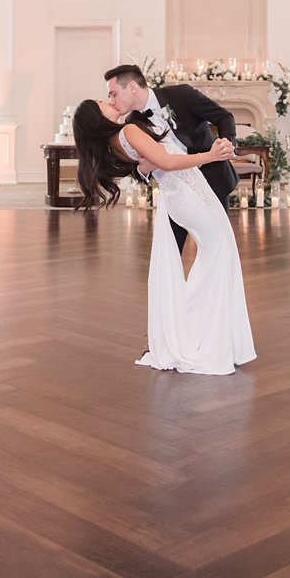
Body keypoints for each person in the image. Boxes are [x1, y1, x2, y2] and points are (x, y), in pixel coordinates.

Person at [72, 98, 256, 375]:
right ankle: (199, 333)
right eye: (102, 101)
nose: (108, 100)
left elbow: (146, 167)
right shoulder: (127, 132)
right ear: (96, 116)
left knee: (218, 255)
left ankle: (197, 327)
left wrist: (148, 166)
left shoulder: (116, 141)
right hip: (188, 194)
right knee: (219, 254)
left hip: (183, 196)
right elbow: (168, 162)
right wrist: (210, 156)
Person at [104, 64, 239, 253]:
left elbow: (224, 117)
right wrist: (143, 169)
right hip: (175, 191)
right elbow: (135, 169)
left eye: (113, 94)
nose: (111, 101)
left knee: (217, 246)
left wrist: (227, 142)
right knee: (170, 252)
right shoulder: (131, 125)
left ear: (133, 87)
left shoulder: (181, 94)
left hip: (212, 180)